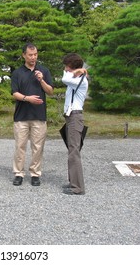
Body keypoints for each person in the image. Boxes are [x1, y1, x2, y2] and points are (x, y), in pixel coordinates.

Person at [11, 42, 54, 186]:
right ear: (24, 55)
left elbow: (50, 91)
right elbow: (14, 93)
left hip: (39, 116)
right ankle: (18, 173)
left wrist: (41, 80)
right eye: (30, 55)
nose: (33, 57)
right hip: (21, 116)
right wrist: (27, 98)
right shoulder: (17, 73)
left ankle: (35, 173)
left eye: (35, 54)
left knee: (38, 147)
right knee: (20, 146)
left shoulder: (44, 71)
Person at [61, 53, 88, 195]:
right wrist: (76, 72)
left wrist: (77, 71)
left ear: (72, 67)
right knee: (72, 150)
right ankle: (73, 183)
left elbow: (64, 78)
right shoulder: (75, 78)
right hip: (72, 117)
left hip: (75, 117)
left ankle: (77, 187)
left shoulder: (80, 80)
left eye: (67, 67)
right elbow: (67, 77)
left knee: (74, 152)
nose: (65, 69)